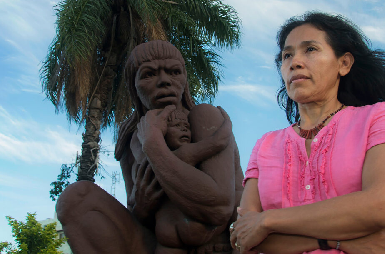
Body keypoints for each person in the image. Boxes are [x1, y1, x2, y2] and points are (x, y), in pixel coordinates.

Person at [229, 12, 385, 254]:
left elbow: (379, 207)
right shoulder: (265, 145)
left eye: (310, 49)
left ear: (344, 64)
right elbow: (243, 239)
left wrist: (268, 221)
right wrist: (337, 242)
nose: (294, 62)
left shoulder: (376, 118)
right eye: (287, 55)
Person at [56, 40, 244, 254]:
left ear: (184, 80)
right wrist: (143, 206)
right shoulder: (130, 142)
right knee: (75, 198)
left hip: (216, 243)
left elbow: (217, 208)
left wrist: (154, 146)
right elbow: (137, 213)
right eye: (149, 74)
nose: (164, 81)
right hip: (162, 245)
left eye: (174, 72)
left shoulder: (203, 117)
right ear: (134, 86)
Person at [153, 108, 235, 253]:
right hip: (170, 229)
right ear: (163, 133)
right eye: (177, 126)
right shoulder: (178, 155)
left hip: (179, 228)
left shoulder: (167, 157)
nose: (184, 129)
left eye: (187, 127)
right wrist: (227, 124)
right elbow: (218, 141)